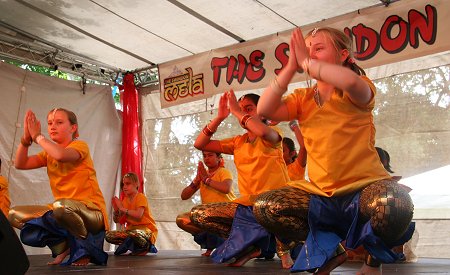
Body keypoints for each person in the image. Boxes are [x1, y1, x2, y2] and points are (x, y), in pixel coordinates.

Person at [254, 27, 414, 275]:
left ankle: (372, 262)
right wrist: (289, 68)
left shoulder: (358, 86)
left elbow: (349, 81)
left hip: (364, 190)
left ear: (343, 55)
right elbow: (264, 110)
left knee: (394, 202)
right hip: (321, 195)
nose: (310, 54)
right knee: (266, 206)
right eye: (306, 49)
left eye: (318, 48)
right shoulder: (302, 98)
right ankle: (332, 250)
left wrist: (307, 62)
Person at [191, 91, 292, 268]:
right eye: (240, 109)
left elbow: (261, 130)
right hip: (248, 206)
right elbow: (200, 144)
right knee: (198, 215)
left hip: (275, 203)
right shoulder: (238, 142)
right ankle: (251, 246)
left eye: (249, 109)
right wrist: (220, 117)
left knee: (265, 205)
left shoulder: (273, 134)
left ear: (262, 111)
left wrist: (237, 111)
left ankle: (284, 250)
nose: (243, 112)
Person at [9, 108, 108, 266]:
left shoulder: (80, 146)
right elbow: (20, 164)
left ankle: (84, 251)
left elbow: (61, 155)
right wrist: (26, 140)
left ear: (73, 128)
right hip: (63, 211)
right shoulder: (48, 154)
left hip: (91, 211)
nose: (52, 126)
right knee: (14, 215)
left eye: (59, 122)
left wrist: (38, 137)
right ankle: (62, 245)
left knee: (61, 206)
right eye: (49, 123)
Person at [176, 151, 236, 257]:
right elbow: (184, 196)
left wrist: (206, 180)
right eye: (204, 156)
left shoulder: (223, 172)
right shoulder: (203, 175)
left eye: (210, 155)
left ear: (219, 158)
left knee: (206, 214)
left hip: (227, 214)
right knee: (181, 219)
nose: (206, 158)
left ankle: (224, 243)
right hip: (207, 215)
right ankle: (210, 245)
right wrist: (196, 181)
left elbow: (226, 188)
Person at [105, 172, 158, 255]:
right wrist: (116, 211)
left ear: (136, 184)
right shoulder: (125, 201)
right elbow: (117, 220)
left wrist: (122, 208)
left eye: (128, 184)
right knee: (109, 235)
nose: (124, 187)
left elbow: (138, 215)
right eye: (123, 184)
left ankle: (147, 246)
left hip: (146, 230)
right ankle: (132, 245)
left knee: (134, 234)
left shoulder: (141, 197)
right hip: (131, 231)